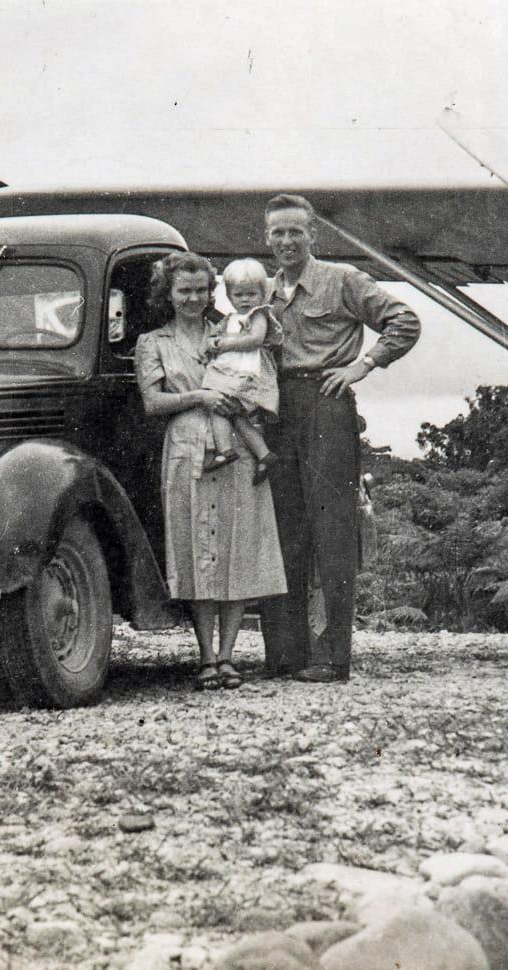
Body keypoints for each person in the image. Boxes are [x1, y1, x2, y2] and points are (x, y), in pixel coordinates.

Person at [260, 193, 421, 683]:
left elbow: (405, 321)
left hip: (326, 405)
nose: (287, 241)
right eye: (278, 233)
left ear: (314, 235)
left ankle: (333, 658)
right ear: (266, 239)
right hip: (276, 409)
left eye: (295, 231)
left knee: (332, 533)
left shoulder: (343, 279)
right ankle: (285, 655)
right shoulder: (263, 293)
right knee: (284, 531)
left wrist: (362, 365)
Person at [133, 252, 287, 690]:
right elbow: (152, 402)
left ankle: (228, 656)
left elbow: (259, 372)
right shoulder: (153, 342)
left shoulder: (230, 330)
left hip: (237, 445)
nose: (194, 298)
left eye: (201, 289)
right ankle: (204, 657)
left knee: (236, 544)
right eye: (184, 290)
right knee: (199, 549)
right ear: (168, 292)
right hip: (187, 446)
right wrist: (200, 397)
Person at [201, 259, 281, 481]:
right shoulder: (229, 319)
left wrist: (223, 344)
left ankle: (224, 451)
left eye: (251, 294)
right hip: (232, 371)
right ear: (229, 295)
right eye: (239, 295)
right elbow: (214, 338)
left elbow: (255, 339)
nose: (245, 300)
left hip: (246, 372)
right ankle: (264, 454)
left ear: (262, 294)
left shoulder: (258, 314)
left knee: (220, 407)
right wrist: (213, 342)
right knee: (234, 413)